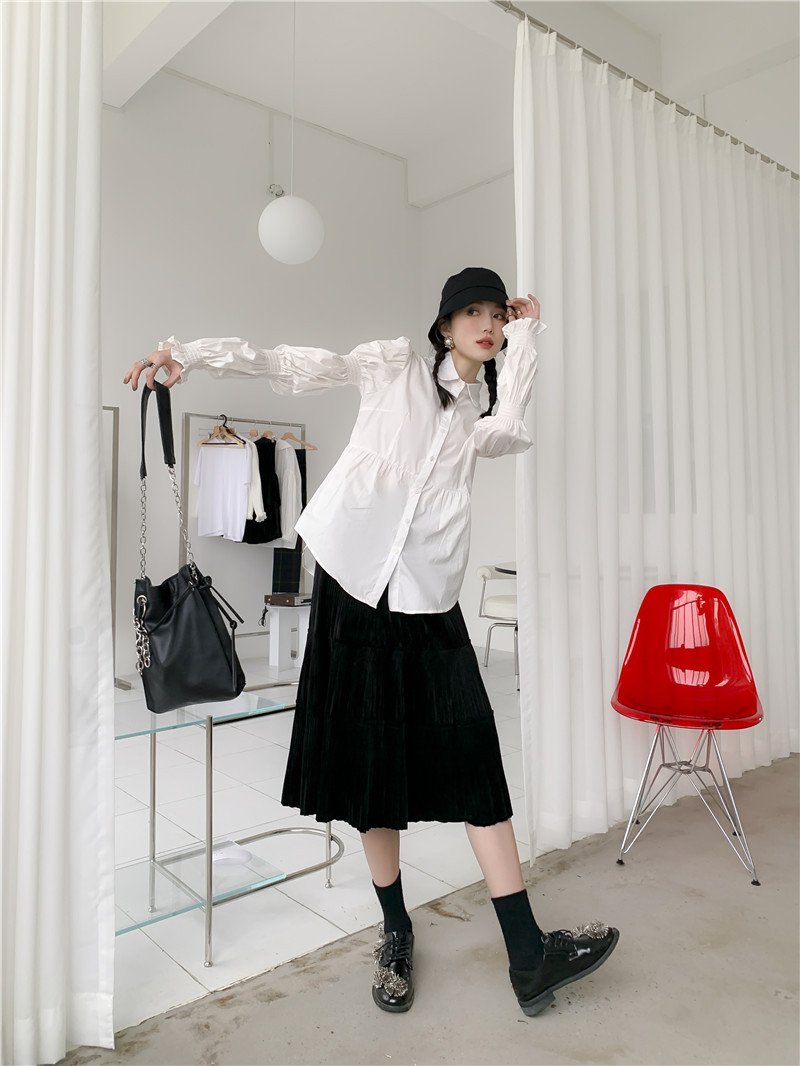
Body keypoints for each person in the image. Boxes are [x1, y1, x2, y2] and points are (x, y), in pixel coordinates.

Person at [124, 266, 619, 1017]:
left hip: (428, 598)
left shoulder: (479, 412)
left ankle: (528, 953)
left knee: (475, 761)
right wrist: (188, 354)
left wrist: (527, 341)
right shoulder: (394, 367)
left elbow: (511, 431)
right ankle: (396, 931)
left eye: (496, 314)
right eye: (473, 313)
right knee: (369, 768)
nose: (487, 324)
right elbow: (295, 363)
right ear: (445, 326)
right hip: (352, 586)